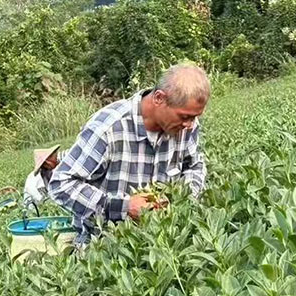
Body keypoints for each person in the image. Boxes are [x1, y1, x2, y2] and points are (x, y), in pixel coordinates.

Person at [49, 63, 209, 246]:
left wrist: (184, 199)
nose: (190, 124)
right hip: (106, 247)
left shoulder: (186, 127)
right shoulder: (108, 128)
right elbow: (61, 184)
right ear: (159, 98)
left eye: (195, 117)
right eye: (184, 117)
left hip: (164, 242)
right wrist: (122, 208)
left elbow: (194, 166)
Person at [24, 145, 60, 212]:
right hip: (36, 211)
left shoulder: (49, 172)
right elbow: (44, 202)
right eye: (55, 158)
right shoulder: (34, 181)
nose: (57, 160)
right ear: (47, 162)